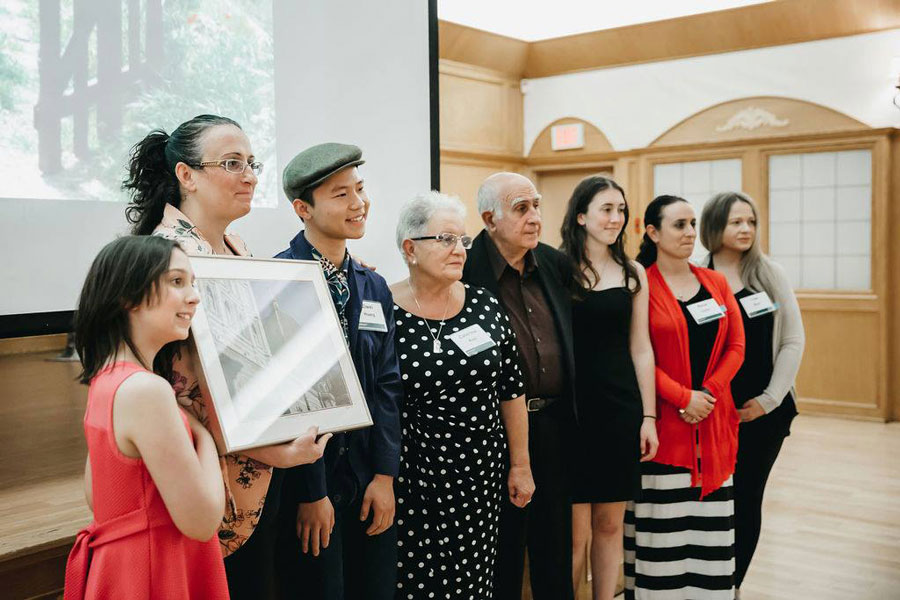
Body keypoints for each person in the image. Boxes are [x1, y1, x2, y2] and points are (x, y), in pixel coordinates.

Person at [123, 114, 329, 599]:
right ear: (186, 175)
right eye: (232, 163)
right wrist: (268, 448)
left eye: (252, 163)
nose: (251, 175)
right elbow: (170, 386)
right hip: (203, 478)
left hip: (260, 466)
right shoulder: (164, 256)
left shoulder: (236, 247)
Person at [64, 235, 227, 599]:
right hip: (154, 572)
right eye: (176, 281)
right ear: (128, 296)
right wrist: (206, 439)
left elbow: (98, 496)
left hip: (121, 570)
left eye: (192, 283)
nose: (194, 296)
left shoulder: (106, 379)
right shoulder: (146, 390)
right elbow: (202, 522)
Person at [274, 143, 403, 600]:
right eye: (340, 194)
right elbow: (291, 393)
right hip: (308, 482)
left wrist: (385, 477)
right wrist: (312, 492)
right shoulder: (278, 279)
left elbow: (388, 386)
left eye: (360, 189)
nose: (358, 204)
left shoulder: (372, 284)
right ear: (302, 208)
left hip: (368, 475)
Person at [391, 191, 534, 599]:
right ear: (410, 248)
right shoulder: (382, 305)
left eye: (464, 241)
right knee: (415, 583)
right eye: (446, 239)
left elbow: (511, 390)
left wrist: (520, 465)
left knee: (473, 582)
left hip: (480, 474)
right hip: (411, 475)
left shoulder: (484, 305)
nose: (459, 250)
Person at [462, 172, 576, 600]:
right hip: (494, 431)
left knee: (554, 549)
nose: (535, 217)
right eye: (521, 208)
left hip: (554, 425)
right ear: (489, 218)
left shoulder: (552, 262)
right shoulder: (465, 267)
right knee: (503, 550)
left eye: (537, 206)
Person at [625, 195, 745, 600]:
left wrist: (707, 394)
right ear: (653, 233)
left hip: (713, 425)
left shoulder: (716, 282)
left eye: (693, 223)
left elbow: (736, 347)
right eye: (679, 225)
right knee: (664, 546)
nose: (691, 233)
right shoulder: (641, 284)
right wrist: (682, 397)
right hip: (664, 432)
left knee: (710, 549)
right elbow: (637, 352)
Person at [558, 177, 657, 600]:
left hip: (620, 409)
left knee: (610, 524)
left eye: (621, 209)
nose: (616, 218)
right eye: (606, 209)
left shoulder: (633, 272)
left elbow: (641, 348)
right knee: (574, 531)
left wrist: (649, 416)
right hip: (572, 410)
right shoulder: (555, 268)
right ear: (581, 216)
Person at [699, 192, 803, 594]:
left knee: (746, 496)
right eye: (735, 222)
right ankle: (709, 578)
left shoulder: (768, 273)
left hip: (763, 412)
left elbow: (793, 340)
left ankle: (733, 584)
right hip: (710, 412)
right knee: (710, 500)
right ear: (714, 227)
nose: (745, 230)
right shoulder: (695, 273)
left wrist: (769, 400)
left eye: (751, 222)